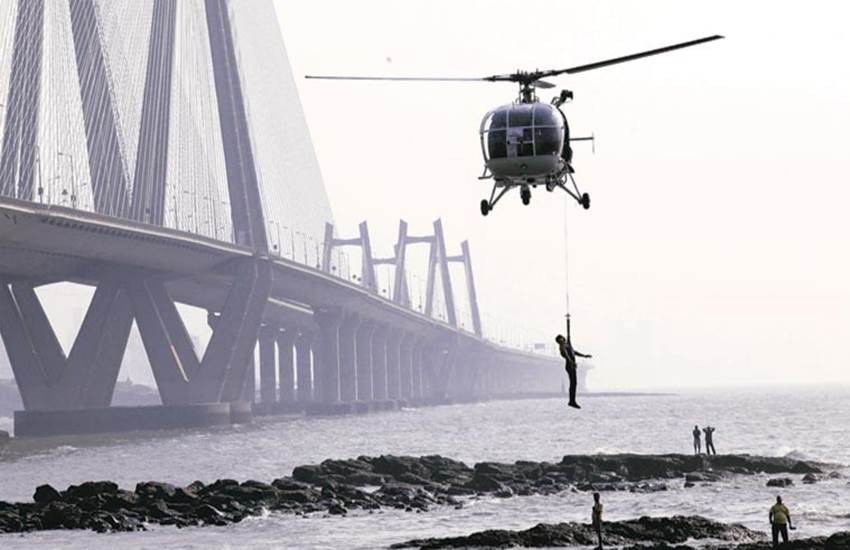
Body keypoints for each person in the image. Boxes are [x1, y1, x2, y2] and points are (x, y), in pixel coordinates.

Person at [555, 328, 591, 409]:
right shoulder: (562, 347)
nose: (562, 340)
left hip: (571, 365)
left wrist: (584, 356)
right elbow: (567, 356)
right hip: (569, 365)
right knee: (573, 383)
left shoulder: (567, 345)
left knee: (574, 383)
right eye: (560, 339)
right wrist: (572, 362)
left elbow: (574, 352)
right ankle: (572, 401)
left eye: (562, 338)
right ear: (559, 341)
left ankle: (572, 401)